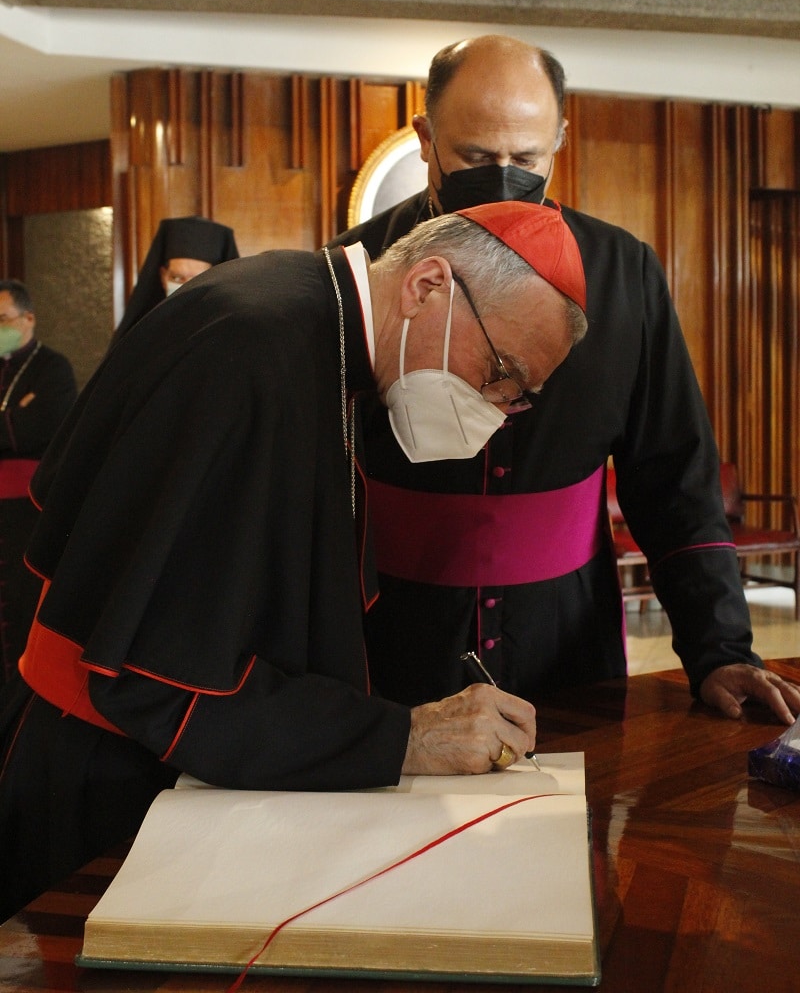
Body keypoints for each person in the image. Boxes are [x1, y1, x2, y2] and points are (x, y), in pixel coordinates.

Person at [0, 200, 586, 920]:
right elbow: (153, 677)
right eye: (500, 373)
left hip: (164, 776)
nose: (496, 408)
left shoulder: (309, 323)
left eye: (517, 399)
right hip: (110, 792)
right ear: (427, 285)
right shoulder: (252, 346)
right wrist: (401, 738)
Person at [331, 33, 800, 727]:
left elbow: (673, 477)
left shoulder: (624, 273)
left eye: (526, 158)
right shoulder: (353, 270)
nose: (502, 174)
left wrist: (718, 649)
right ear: (425, 137)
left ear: (561, 138)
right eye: (474, 156)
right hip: (388, 644)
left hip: (565, 646)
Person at [0, 280, 76, 686]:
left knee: (21, 602)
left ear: (28, 318)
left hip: (27, 511)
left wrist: (14, 428)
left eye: (2, 320)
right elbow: (20, 429)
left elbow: (48, 429)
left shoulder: (52, 368)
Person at [111, 215, 239, 343]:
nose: (186, 287)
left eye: (199, 279)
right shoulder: (140, 335)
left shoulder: (232, 335)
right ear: (163, 276)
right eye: (177, 278)